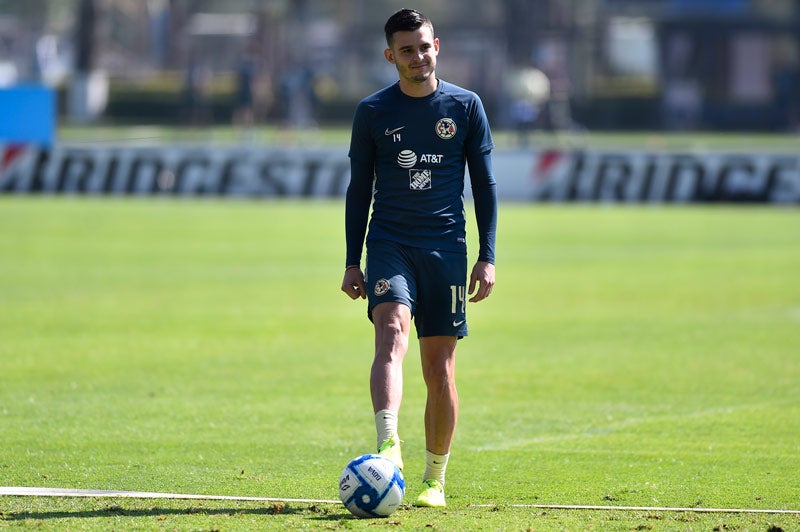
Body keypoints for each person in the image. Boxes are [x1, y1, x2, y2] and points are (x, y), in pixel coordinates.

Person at [340, 8, 497, 509]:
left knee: (440, 368)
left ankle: (435, 480)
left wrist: (486, 256)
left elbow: (486, 186)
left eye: (424, 46)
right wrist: (351, 260)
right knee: (390, 332)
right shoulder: (373, 112)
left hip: (447, 248)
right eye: (406, 50)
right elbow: (358, 189)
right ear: (391, 56)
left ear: (437, 47)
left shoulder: (466, 107)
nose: (418, 56)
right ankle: (389, 443)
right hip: (388, 242)